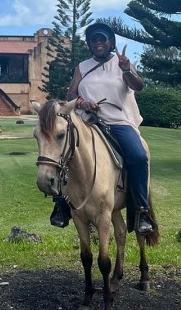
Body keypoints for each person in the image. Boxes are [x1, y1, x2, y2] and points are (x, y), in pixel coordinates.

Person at [51, 22, 155, 235]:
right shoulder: (82, 67)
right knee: (61, 153)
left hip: (117, 121)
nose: (98, 43)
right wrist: (82, 103)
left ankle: (141, 211)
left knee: (137, 156)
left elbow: (138, 86)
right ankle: (61, 204)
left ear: (110, 42)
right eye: (94, 40)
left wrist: (127, 70)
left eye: (102, 39)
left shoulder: (123, 62)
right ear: (89, 44)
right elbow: (71, 94)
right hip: (87, 121)